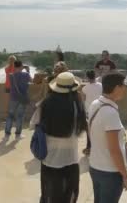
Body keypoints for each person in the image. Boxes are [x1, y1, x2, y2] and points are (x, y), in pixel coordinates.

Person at [31, 71, 87, 202]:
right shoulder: (77, 106)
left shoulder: (45, 104)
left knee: (49, 195)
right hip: (71, 159)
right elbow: (81, 128)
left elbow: (33, 124)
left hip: (49, 159)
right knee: (68, 196)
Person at [88, 72, 127, 202]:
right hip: (109, 172)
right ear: (117, 87)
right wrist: (125, 175)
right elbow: (113, 150)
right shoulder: (110, 113)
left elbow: (92, 132)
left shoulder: (95, 104)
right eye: (124, 85)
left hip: (95, 166)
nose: (125, 89)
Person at [5, 60, 31, 139]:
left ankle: (7, 134)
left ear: (14, 66)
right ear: (21, 66)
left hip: (13, 97)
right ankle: (18, 134)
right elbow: (31, 80)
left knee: (10, 116)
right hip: (22, 97)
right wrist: (27, 70)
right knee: (20, 116)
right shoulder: (26, 75)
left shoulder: (11, 75)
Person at [81, 70, 103, 155]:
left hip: (89, 111)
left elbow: (83, 100)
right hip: (99, 109)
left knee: (89, 130)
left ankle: (89, 147)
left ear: (87, 77)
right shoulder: (101, 86)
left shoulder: (85, 88)